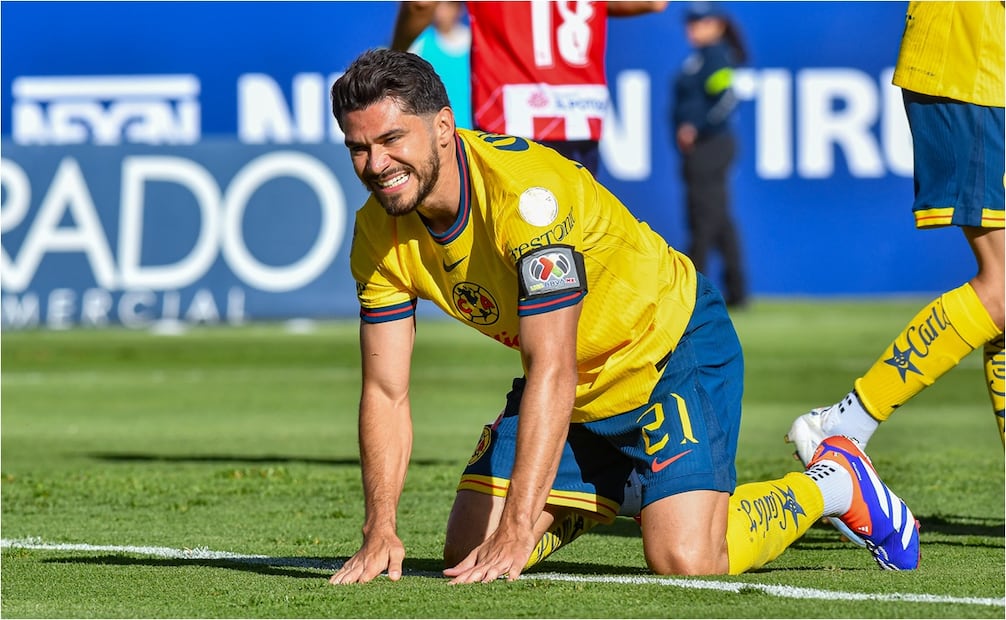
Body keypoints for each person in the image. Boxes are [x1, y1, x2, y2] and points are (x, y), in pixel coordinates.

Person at [325, 48, 920, 585]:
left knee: (686, 559)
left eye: (392, 140)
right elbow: (384, 390)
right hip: (576, 390)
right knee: (467, 551)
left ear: (444, 128)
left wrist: (520, 524)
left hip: (667, 348)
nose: (376, 164)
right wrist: (379, 528)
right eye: (359, 147)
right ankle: (623, 483)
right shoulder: (376, 234)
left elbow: (551, 366)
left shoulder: (530, 201)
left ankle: (833, 481)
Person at [786, 2, 1005, 471]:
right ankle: (848, 421)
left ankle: (849, 422)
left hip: (986, 61)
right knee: (1004, 286)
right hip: (971, 62)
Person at [391, 1, 668, 176]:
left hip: (513, 117)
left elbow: (420, 4)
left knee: (515, 247)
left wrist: (396, 54)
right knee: (572, 240)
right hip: (581, 115)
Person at [672, 2, 748, 308]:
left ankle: (693, 290)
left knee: (702, 217)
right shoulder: (700, 58)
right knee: (718, 218)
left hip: (711, 146)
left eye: (700, 23)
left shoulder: (715, 57)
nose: (692, 29)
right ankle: (737, 290)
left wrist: (697, 127)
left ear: (717, 25)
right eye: (690, 23)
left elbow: (727, 98)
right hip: (704, 149)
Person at [407, 1, 473, 130]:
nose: (441, 11)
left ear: (459, 9)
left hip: (471, 130)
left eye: (448, 4)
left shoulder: (473, 42)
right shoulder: (418, 43)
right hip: (437, 129)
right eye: (438, 5)